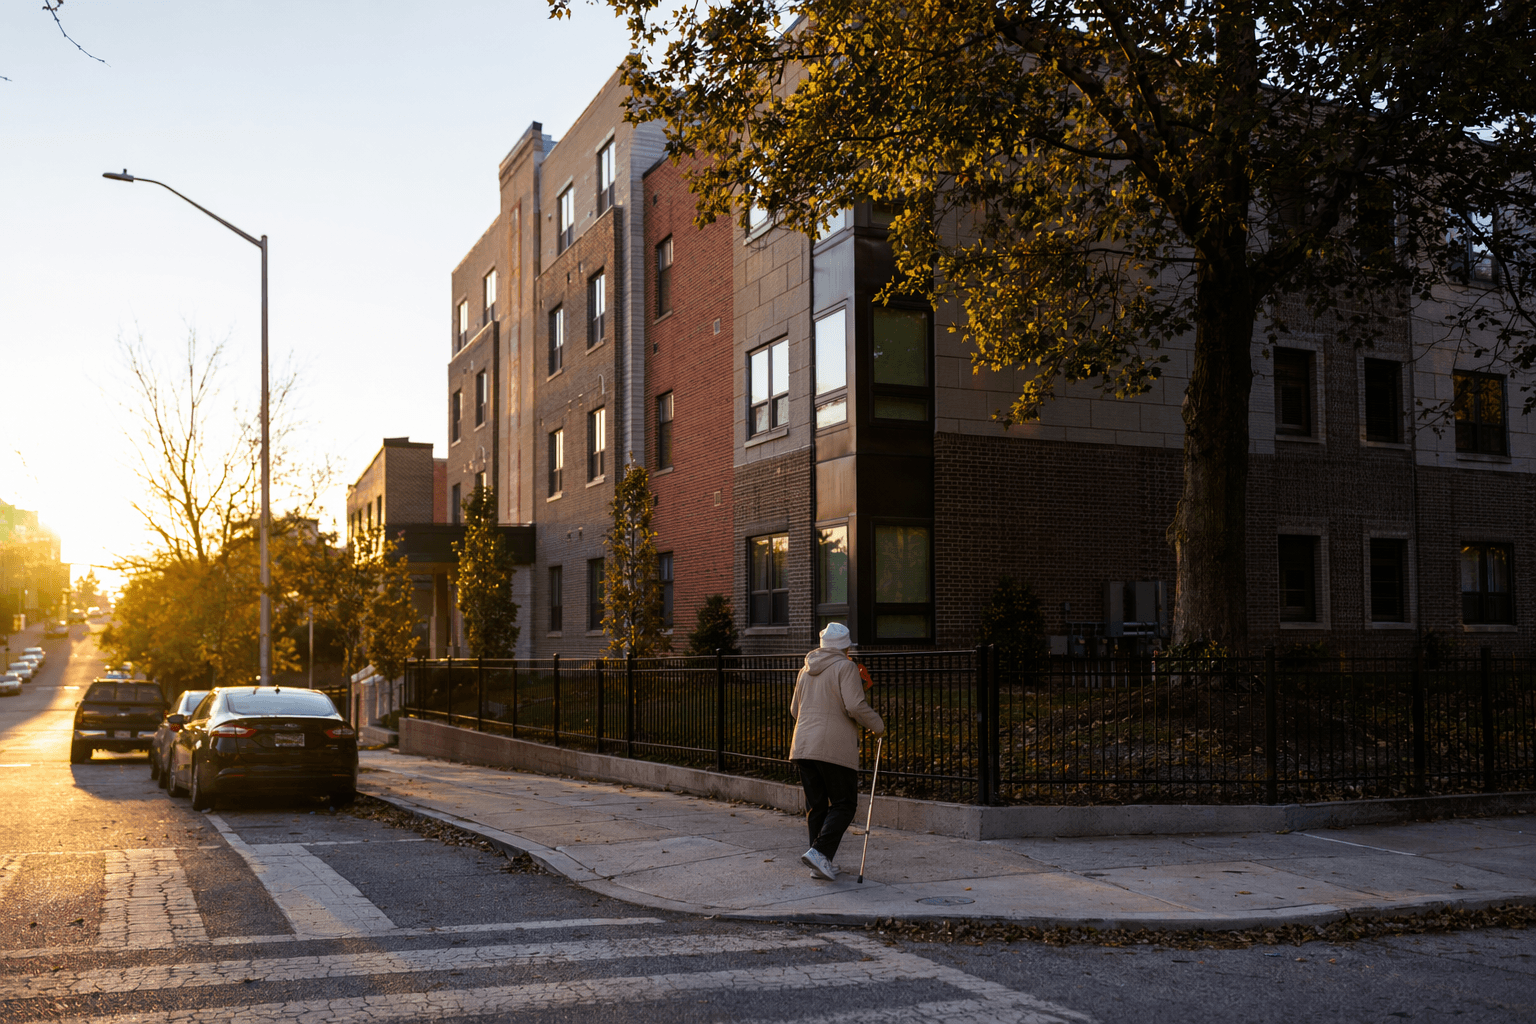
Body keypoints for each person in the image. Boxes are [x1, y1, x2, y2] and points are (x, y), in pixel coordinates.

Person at [789, 622, 884, 881]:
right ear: (845, 647)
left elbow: (794, 711)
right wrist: (878, 725)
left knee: (817, 806)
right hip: (832, 746)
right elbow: (854, 705)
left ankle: (819, 861)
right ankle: (819, 853)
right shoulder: (846, 667)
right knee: (844, 803)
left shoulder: (805, 671)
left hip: (802, 746)